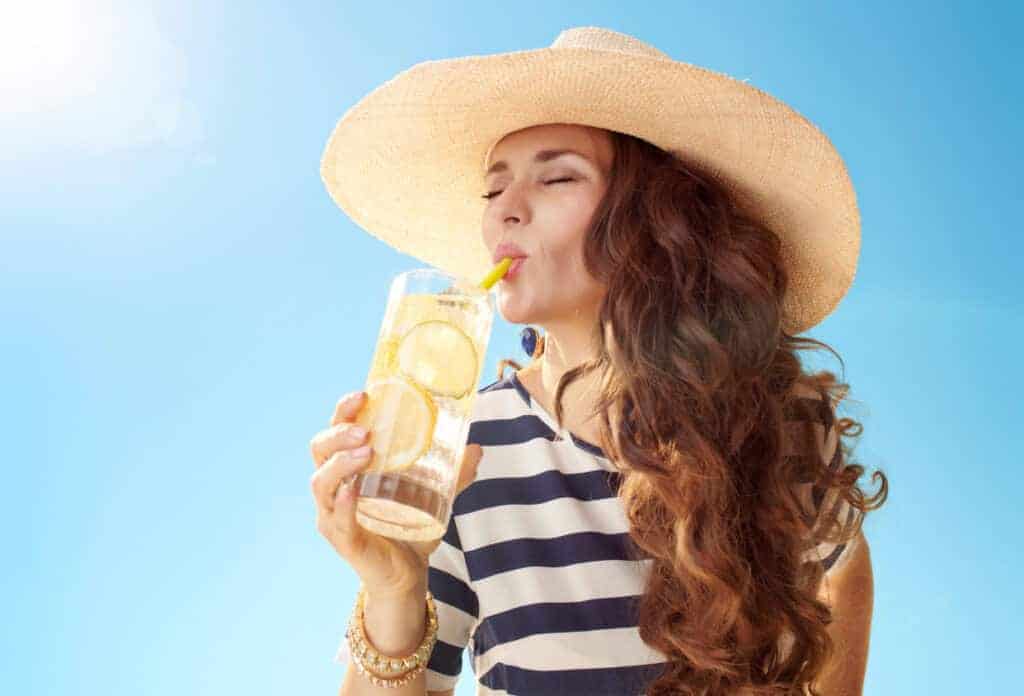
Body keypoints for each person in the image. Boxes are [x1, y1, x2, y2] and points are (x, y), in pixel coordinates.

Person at [311, 26, 889, 696]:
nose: (507, 212)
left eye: (556, 177)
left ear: (654, 221)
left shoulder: (767, 425)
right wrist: (394, 587)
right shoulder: (459, 452)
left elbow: (843, 566)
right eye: (492, 192)